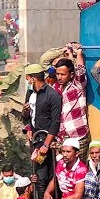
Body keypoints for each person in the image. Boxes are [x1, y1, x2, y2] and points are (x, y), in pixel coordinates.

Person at [24, 62, 62, 190]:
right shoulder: (30, 94)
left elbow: (55, 122)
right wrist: (28, 125)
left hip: (47, 142)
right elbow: (27, 117)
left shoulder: (53, 95)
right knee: (38, 176)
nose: (27, 82)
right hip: (35, 140)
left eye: (28, 79)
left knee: (49, 175)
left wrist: (46, 144)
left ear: (33, 78)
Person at [50, 45, 89, 143]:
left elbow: (80, 70)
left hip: (78, 135)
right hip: (61, 137)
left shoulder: (77, 85)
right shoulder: (54, 88)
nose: (59, 77)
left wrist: (78, 53)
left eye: (62, 75)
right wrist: (65, 51)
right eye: (57, 74)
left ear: (71, 75)